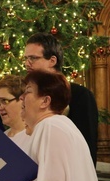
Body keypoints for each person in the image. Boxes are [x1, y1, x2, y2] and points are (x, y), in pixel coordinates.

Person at [0, 70, 104, 181]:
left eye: (28, 92)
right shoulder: (55, 125)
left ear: (45, 101)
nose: (22, 97)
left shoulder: (51, 125)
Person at [24, 32, 98, 166]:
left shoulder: (80, 95)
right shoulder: (29, 95)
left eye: (33, 58)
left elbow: (87, 148)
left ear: (52, 61)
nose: (27, 63)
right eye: (25, 58)